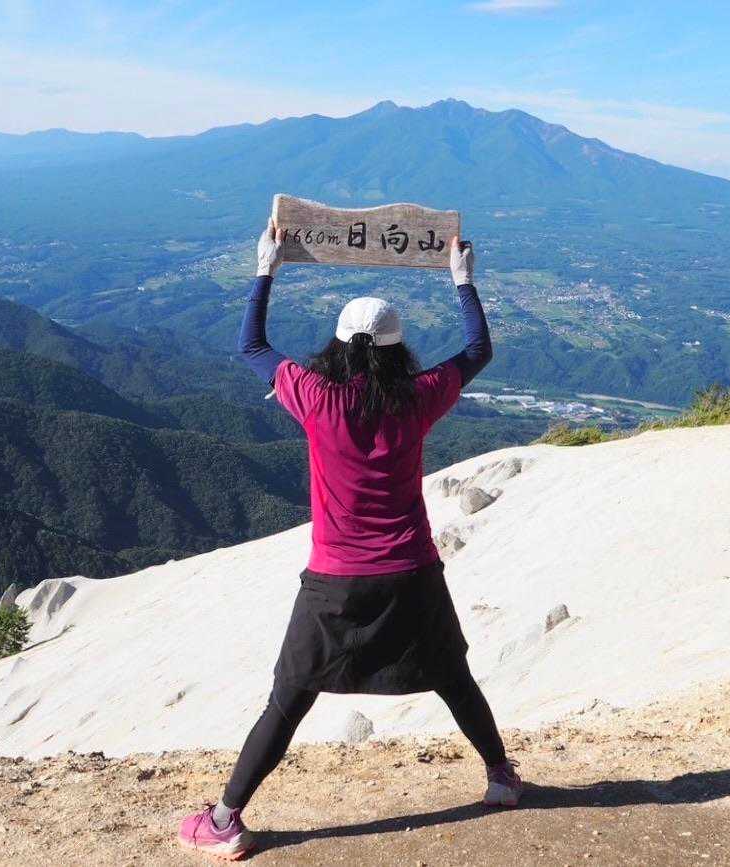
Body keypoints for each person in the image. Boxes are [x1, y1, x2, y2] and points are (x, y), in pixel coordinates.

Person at [179, 219, 522, 860]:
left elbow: (252, 346)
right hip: (411, 570)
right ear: (396, 349)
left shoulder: (315, 396)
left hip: (334, 580)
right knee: (452, 675)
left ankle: (225, 820)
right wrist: (463, 279)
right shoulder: (418, 397)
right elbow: (477, 350)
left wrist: (266, 267)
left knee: (289, 697)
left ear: (338, 345)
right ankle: (501, 777)